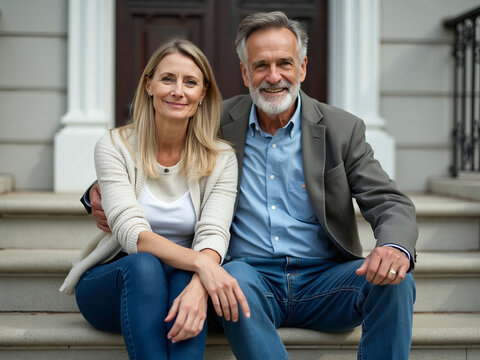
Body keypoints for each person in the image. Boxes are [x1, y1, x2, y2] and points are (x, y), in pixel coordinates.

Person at [85, 11, 418, 360]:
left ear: (302, 68)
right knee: (236, 277)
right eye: (261, 65)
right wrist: (96, 190)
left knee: (397, 280)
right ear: (245, 73)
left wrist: (395, 246)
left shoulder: (341, 129)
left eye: (284, 64)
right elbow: (154, 150)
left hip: (326, 280)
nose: (273, 77)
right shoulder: (215, 123)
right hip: (249, 277)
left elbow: (388, 201)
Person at [60, 39, 249, 360]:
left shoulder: (221, 159)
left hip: (181, 277)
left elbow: (214, 232)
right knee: (146, 265)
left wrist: (200, 277)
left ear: (203, 94)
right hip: (115, 280)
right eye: (167, 79)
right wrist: (204, 264)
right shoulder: (114, 145)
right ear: (148, 85)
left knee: (185, 281)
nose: (178, 91)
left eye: (190, 82)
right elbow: (130, 232)